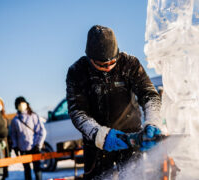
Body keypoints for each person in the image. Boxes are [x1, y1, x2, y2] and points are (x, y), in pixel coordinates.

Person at [66, 25, 166, 179]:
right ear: (90, 58)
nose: (108, 68)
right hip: (96, 145)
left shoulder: (130, 64)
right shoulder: (77, 72)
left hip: (131, 139)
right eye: (102, 65)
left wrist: (152, 122)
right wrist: (100, 135)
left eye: (112, 62)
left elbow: (150, 95)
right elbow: (77, 112)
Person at [10, 96, 46, 180]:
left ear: (26, 104)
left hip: (35, 147)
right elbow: (13, 135)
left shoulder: (33, 116)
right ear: (16, 106)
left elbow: (41, 131)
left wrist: (38, 144)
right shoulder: (15, 120)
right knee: (27, 170)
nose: (21, 105)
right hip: (23, 149)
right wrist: (15, 146)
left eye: (22, 103)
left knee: (37, 169)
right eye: (19, 104)